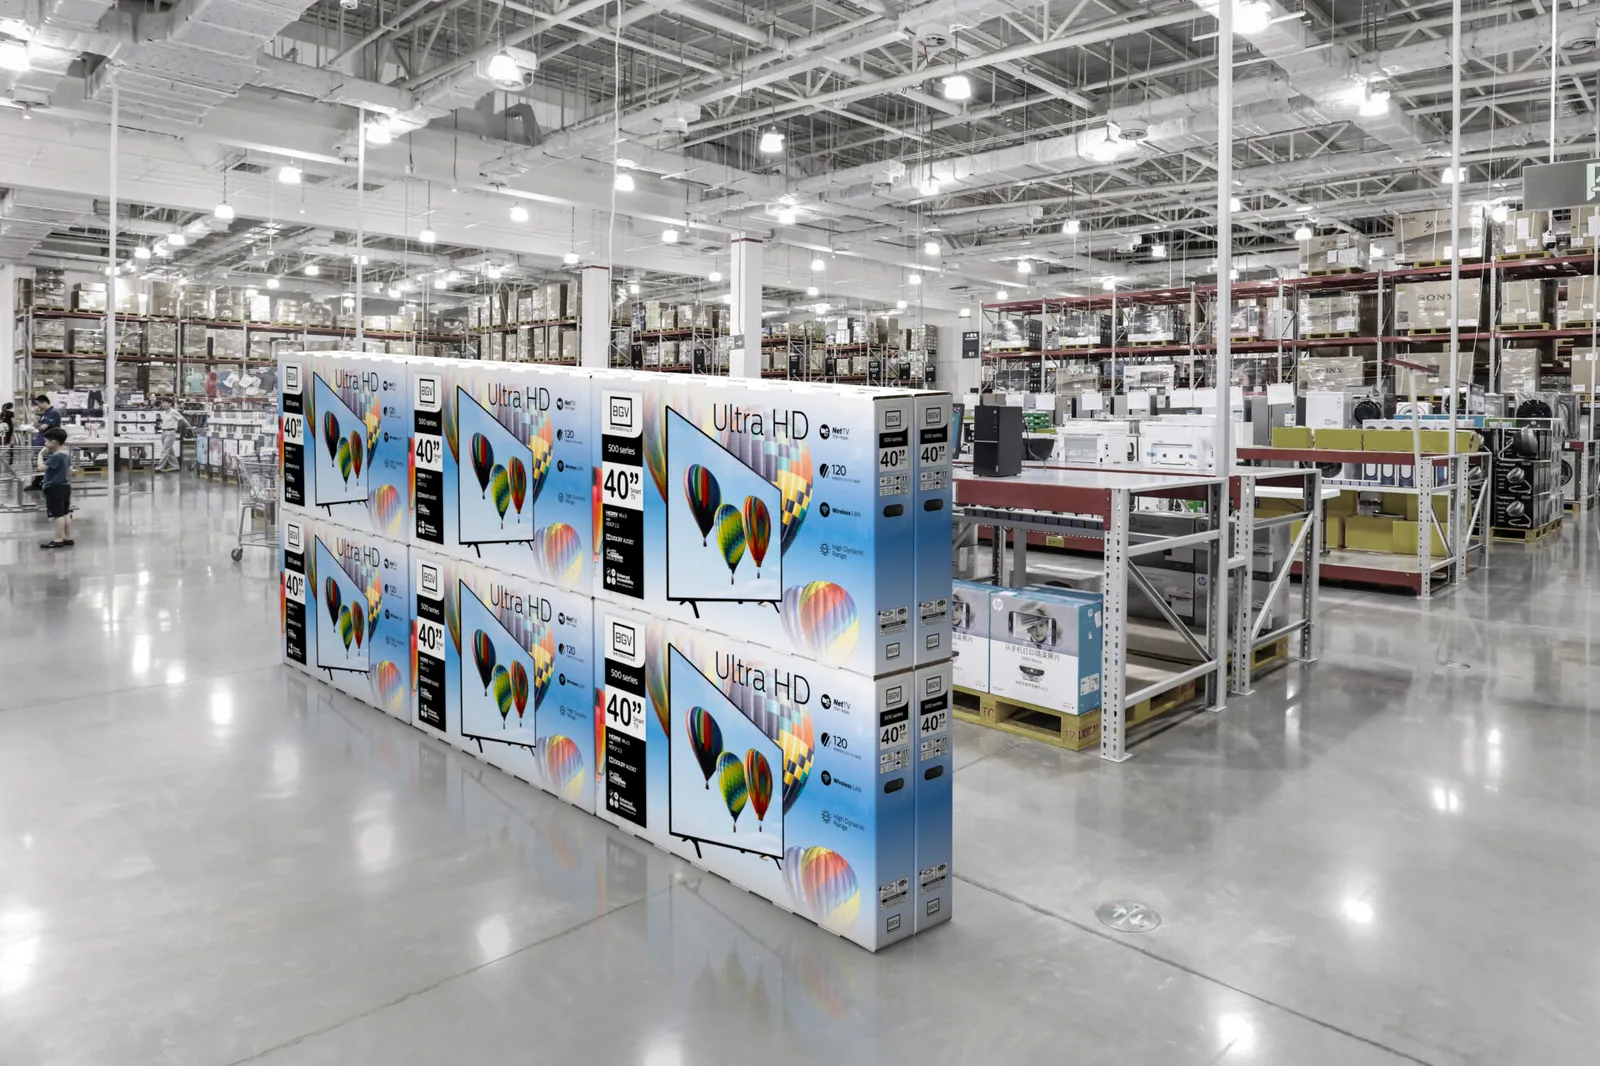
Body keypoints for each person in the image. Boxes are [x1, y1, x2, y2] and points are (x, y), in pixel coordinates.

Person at [37, 426, 73, 549]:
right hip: (65, 486)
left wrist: (40, 455)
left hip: (54, 488)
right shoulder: (66, 455)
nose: (45, 444)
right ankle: (68, 537)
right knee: (65, 513)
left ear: (54, 442)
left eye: (46, 441)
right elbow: (69, 471)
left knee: (57, 515)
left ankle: (57, 539)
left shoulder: (56, 457)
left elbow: (41, 468)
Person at [25, 395, 60, 491]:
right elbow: (36, 425)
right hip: (40, 440)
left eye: (39, 404)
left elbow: (43, 427)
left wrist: (37, 426)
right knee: (36, 461)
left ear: (45, 402)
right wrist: (35, 420)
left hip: (47, 442)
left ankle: (40, 482)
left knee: (43, 462)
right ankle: (39, 482)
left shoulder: (53, 413)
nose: (38, 406)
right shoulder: (45, 413)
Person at [154, 400, 189, 472]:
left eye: (165, 403)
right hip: (163, 432)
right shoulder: (163, 413)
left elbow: (183, 419)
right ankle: (175, 466)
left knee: (165, 450)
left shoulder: (174, 412)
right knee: (170, 451)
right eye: (163, 403)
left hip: (171, 432)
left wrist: (190, 427)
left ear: (170, 404)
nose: (163, 404)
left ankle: (159, 468)